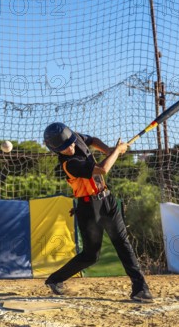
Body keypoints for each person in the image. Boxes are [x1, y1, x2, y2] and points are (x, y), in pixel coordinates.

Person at [43, 122, 153, 301]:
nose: (70, 148)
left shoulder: (75, 138)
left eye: (70, 143)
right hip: (88, 209)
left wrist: (108, 150)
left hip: (107, 200)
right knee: (91, 255)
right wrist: (116, 151)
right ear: (56, 150)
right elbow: (102, 169)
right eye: (64, 148)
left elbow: (92, 140)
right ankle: (55, 280)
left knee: (122, 243)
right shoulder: (69, 164)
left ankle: (141, 288)